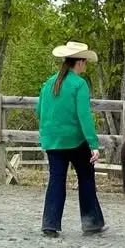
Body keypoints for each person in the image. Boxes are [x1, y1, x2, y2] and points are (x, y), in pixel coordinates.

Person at [35, 41, 107, 237]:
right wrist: (93, 144)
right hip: (74, 139)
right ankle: (91, 221)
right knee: (85, 177)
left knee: (56, 180)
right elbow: (84, 115)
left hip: (52, 140)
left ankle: (50, 224)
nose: (85, 66)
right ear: (80, 62)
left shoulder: (49, 83)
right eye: (85, 63)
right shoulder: (79, 84)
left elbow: (39, 110)